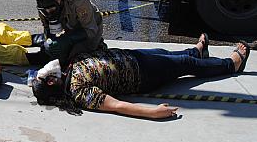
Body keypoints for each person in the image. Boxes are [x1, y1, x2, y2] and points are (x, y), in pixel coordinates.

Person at [32, 34, 251, 119]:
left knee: (170, 56)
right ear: (52, 81)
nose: (46, 70)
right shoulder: (78, 92)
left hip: (133, 58)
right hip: (142, 74)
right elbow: (116, 105)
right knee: (185, 65)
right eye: (43, 76)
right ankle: (231, 64)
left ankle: (197, 51)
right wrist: (154, 113)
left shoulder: (70, 69)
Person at [33, 0, 106, 66]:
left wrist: (67, 40)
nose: (48, 12)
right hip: (69, 26)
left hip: (89, 28)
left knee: (71, 60)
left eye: (51, 8)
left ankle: (98, 45)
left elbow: (91, 30)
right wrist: (49, 41)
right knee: (48, 54)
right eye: (45, 10)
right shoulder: (43, 5)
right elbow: (47, 27)